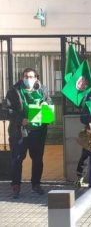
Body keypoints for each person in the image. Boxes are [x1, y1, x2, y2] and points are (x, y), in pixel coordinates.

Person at [5, 68, 51, 198]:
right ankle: (16, 186)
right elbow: (7, 110)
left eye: (31, 76)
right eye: (26, 76)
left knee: (37, 159)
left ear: (36, 77)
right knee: (17, 159)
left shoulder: (43, 89)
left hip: (38, 131)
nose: (28, 79)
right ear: (22, 77)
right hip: (19, 131)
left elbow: (49, 101)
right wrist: (21, 120)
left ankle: (36, 184)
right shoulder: (14, 91)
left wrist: (46, 105)